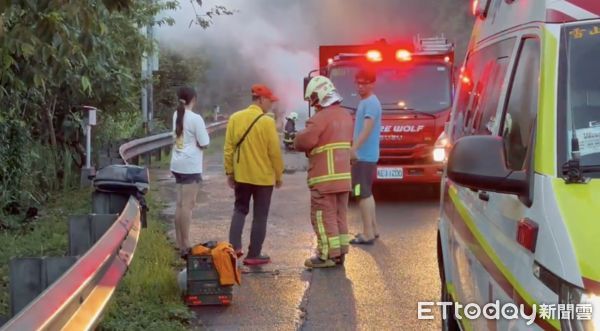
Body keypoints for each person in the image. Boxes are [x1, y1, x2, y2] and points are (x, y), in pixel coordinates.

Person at [295, 76, 354, 268]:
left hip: (324, 177)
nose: (314, 103)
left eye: (313, 98)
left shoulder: (319, 118)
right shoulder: (346, 116)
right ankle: (340, 252)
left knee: (322, 216)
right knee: (339, 215)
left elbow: (305, 141)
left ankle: (326, 255)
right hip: (343, 177)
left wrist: (295, 139)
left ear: (320, 95)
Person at [223, 84, 284, 266]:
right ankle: (254, 254)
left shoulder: (235, 118)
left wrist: (230, 172)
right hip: (263, 180)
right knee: (260, 216)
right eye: (269, 101)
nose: (271, 105)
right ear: (260, 99)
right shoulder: (267, 122)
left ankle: (233, 249)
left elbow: (228, 149)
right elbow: (274, 152)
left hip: (241, 176)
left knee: (239, 210)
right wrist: (279, 175)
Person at [170, 86, 210, 258]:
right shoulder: (195, 118)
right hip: (190, 166)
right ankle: (185, 244)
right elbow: (205, 142)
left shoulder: (176, 114)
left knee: (180, 205)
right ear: (194, 98)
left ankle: (180, 242)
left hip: (177, 163)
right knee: (188, 206)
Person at [350, 69, 382, 245]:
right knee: (366, 193)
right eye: (358, 83)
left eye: (364, 83)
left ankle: (367, 233)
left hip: (363, 156)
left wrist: (353, 148)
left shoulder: (370, 103)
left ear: (372, 83)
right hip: (365, 155)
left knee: (361, 193)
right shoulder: (367, 102)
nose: (360, 86)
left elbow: (367, 128)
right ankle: (373, 229)